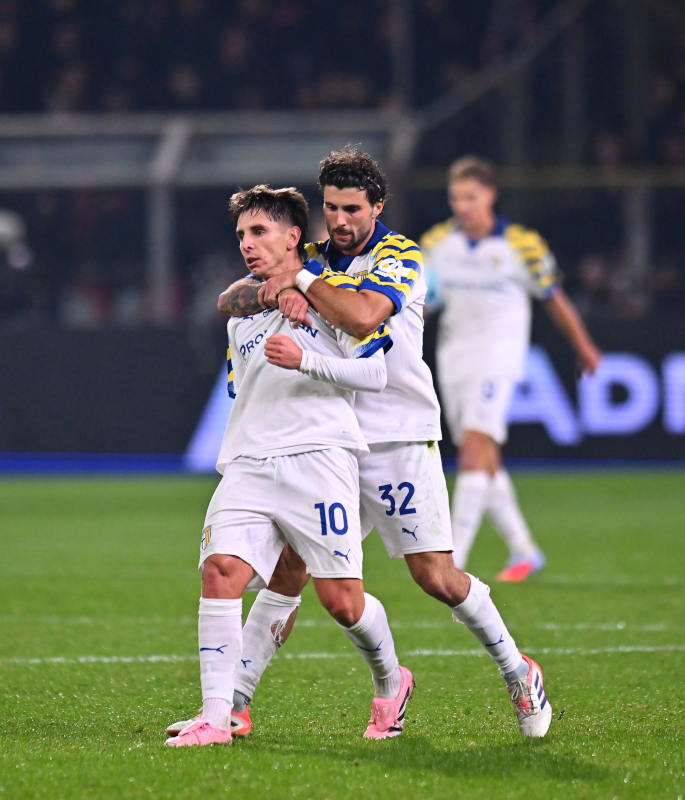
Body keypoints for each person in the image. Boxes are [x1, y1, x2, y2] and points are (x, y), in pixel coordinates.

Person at [172, 148, 551, 741]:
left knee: (435, 576)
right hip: (324, 441)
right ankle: (233, 704)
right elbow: (231, 299)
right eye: (331, 209)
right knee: (290, 575)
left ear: (377, 206)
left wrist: (299, 282)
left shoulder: (398, 255)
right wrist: (277, 291)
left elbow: (363, 314)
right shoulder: (317, 257)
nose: (341, 221)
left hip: (395, 435)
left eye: (353, 209)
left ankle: (516, 668)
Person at [167, 185, 406, 748]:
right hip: (248, 459)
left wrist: (309, 359)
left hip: (319, 459)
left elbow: (376, 375)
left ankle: (392, 680)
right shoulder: (244, 305)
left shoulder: (336, 297)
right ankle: (216, 716)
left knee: (342, 601)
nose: (247, 244)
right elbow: (229, 304)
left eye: (259, 232)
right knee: (220, 570)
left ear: (294, 236)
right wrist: (269, 296)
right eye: (242, 235)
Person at [422, 156, 601, 580]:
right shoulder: (437, 243)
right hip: (453, 359)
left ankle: (453, 562)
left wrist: (584, 346)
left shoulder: (522, 244)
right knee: (483, 456)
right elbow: (421, 302)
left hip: (498, 359)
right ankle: (524, 549)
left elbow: (553, 298)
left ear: (490, 194)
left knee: (472, 450)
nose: (462, 205)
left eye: (470, 196)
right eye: (455, 197)